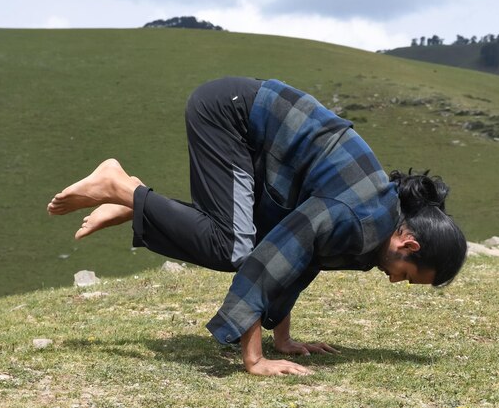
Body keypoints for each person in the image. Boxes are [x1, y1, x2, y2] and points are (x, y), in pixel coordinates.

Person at [47, 77, 467, 376]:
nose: (396, 282)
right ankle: (120, 187)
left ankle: (135, 199)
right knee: (233, 248)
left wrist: (282, 339)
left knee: (234, 240)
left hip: (254, 138)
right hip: (228, 115)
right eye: (409, 277)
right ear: (409, 244)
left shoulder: (375, 224)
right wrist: (255, 358)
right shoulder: (362, 220)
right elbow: (270, 258)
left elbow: (303, 260)